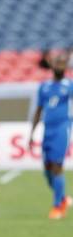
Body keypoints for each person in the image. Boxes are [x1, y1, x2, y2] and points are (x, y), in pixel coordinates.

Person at [29, 52, 73, 219]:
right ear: (52, 65)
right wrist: (31, 134)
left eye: (63, 62)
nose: (60, 65)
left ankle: (57, 207)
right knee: (47, 171)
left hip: (63, 127)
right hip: (47, 129)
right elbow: (38, 110)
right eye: (57, 62)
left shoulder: (70, 85)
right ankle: (63, 197)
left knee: (56, 166)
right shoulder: (44, 86)